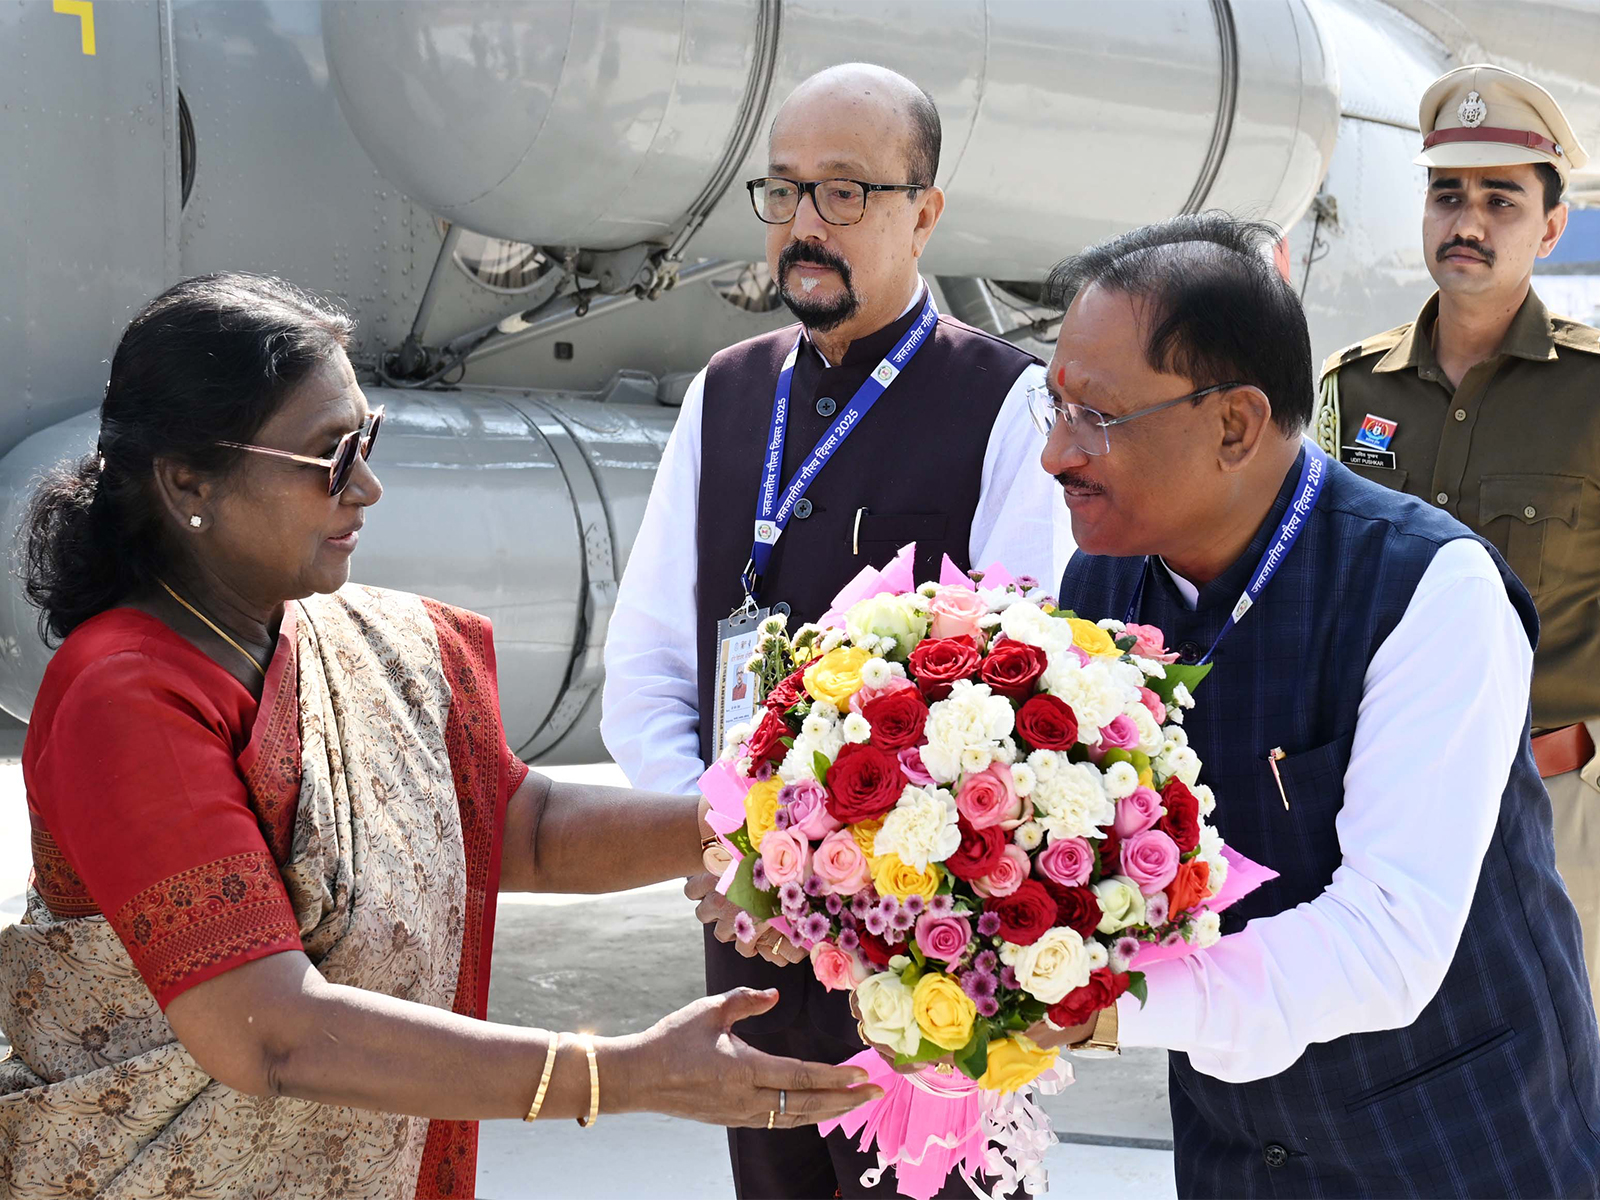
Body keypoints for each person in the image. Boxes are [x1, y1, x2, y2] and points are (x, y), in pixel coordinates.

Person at [0, 274, 880, 1200]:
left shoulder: (362, 641)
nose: (368, 487)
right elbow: (271, 1034)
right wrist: (624, 1076)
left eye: (367, 440)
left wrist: (763, 824)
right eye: (330, 456)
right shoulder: (126, 695)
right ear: (189, 481)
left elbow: (517, 828)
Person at [1041, 213, 1600, 1195]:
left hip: (1458, 1144)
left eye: (1098, 417)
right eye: (1053, 407)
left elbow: (1385, 940)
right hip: (1236, 1149)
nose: (1057, 453)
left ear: (1235, 424)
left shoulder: (1430, 590)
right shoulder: (1100, 584)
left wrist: (1106, 1006)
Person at [602, 63, 1070, 1198]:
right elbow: (649, 663)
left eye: (847, 191)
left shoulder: (1006, 402)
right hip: (746, 941)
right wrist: (720, 848)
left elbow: (1029, 700)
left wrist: (831, 878)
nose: (806, 223)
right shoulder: (725, 393)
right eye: (785, 189)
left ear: (925, 212)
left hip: (925, 960)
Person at [1313, 63, 1600, 1014]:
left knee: (1569, 1065)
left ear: (1550, 228)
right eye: (1447, 195)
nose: (1467, 221)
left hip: (1556, 806)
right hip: (1382, 808)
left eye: (1500, 200)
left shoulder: (1593, 393)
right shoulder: (1353, 388)